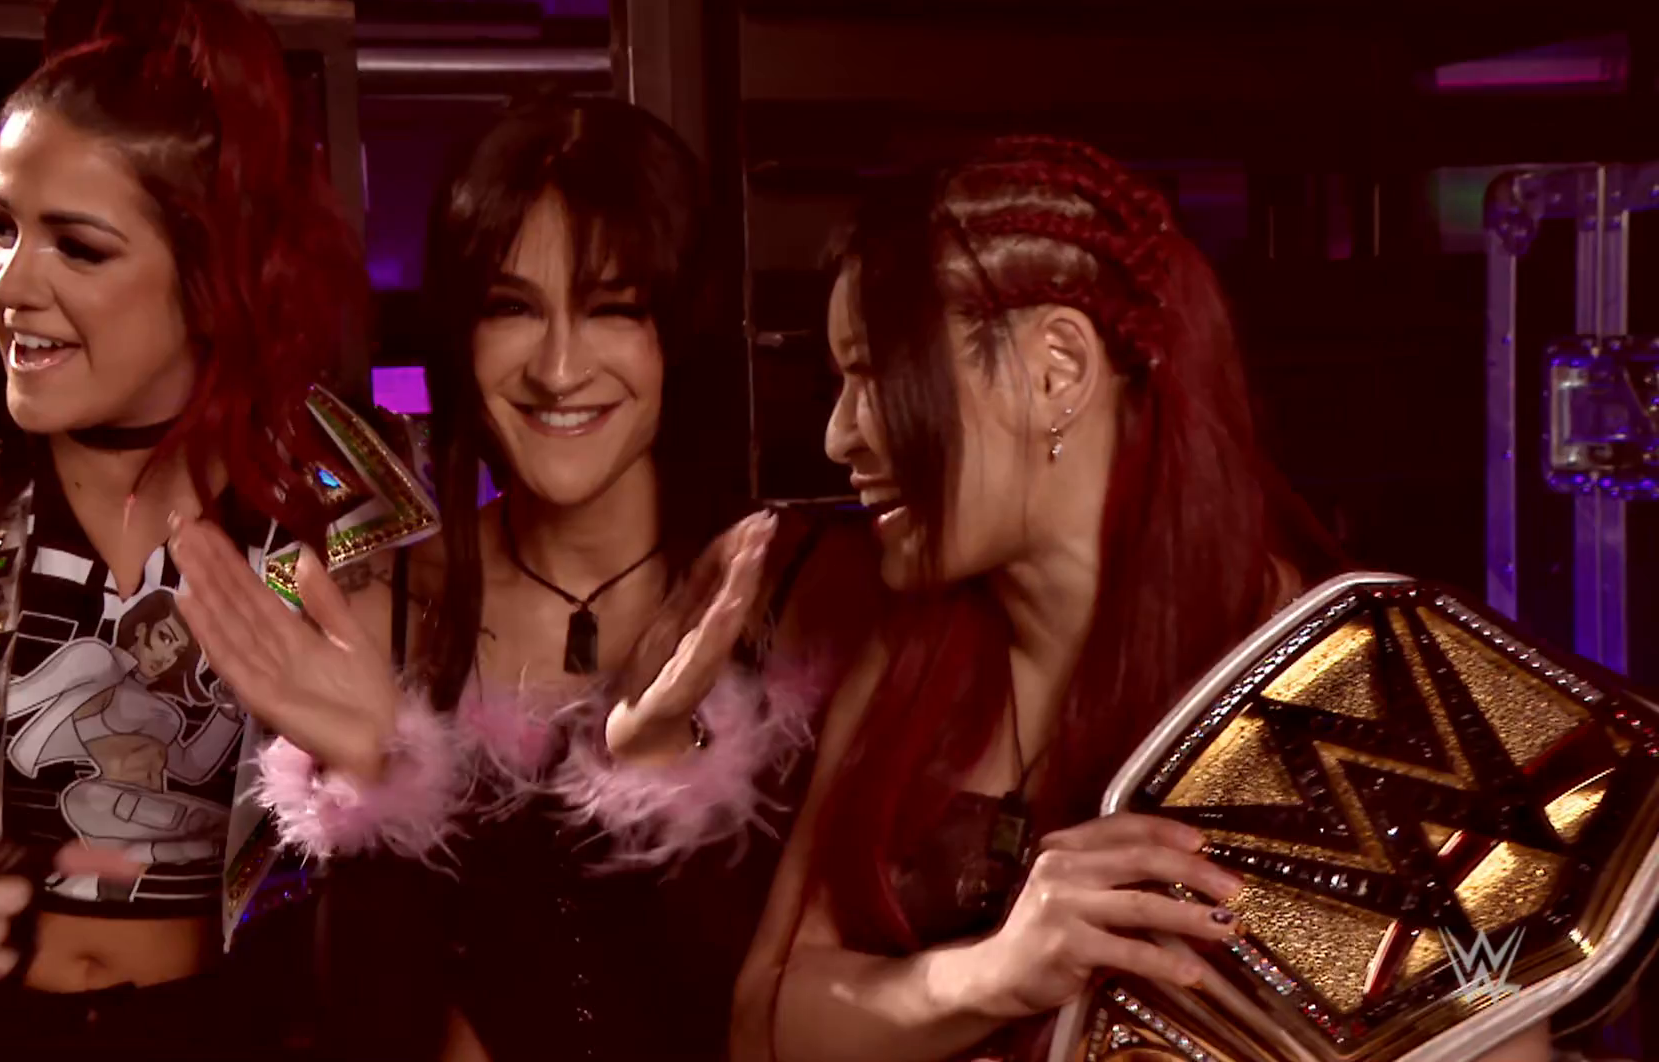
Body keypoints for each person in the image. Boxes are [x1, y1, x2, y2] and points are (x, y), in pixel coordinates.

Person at [729, 138, 1564, 1062]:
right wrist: (992, 975)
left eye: (879, 375)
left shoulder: (1332, 684)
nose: (840, 434)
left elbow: (1494, 1036)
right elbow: (762, 1024)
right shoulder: (909, 661)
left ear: (1056, 370)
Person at [0, 0, 435, 1059]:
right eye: (0, 227)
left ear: (208, 271)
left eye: (79, 247)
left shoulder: (344, 498)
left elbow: (434, 896)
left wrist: (377, 775)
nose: (10, 283)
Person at [170, 95, 879, 1061]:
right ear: (460, 333)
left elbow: (806, 995)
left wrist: (665, 761)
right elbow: (360, 1026)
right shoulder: (388, 606)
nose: (557, 367)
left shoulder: (812, 593)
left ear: (679, 328)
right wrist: (370, 786)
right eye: (512, 308)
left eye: (612, 309)